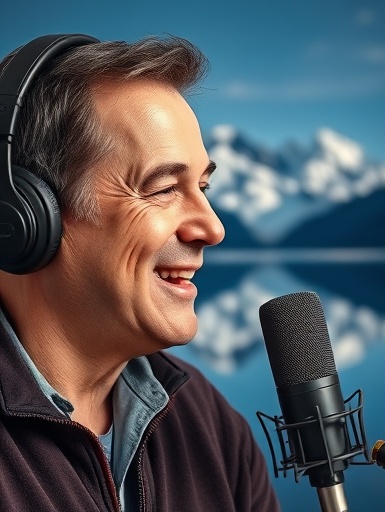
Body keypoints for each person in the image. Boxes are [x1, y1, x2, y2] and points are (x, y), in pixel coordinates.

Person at [0, 34, 279, 510]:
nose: (212, 228)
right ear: (25, 217)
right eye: (164, 189)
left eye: (204, 186)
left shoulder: (210, 425)